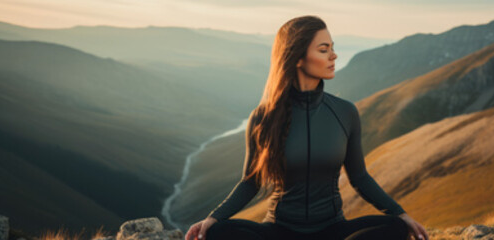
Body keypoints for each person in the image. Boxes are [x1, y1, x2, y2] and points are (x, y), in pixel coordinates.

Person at [182, 15, 430, 240]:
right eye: (324, 50)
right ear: (298, 57)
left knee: (396, 228)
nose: (334, 56)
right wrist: (213, 218)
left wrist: (401, 214)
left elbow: (360, 178)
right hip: (279, 230)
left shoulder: (345, 112)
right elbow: (250, 182)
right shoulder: (263, 117)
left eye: (333, 48)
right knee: (217, 232)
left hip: (333, 230)